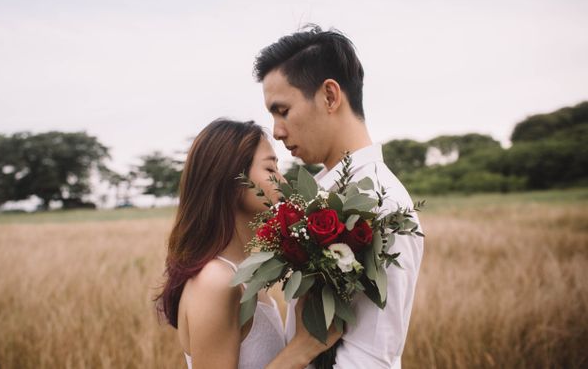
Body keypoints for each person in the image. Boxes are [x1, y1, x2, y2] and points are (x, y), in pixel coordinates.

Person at [254, 26, 424, 369]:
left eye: (282, 110)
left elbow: (371, 358)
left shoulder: (382, 203)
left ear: (330, 96)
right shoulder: (317, 193)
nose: (276, 130)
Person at [157, 119, 341, 369]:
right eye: (270, 169)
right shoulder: (215, 282)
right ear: (233, 180)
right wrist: (301, 349)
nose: (283, 181)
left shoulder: (242, 272)